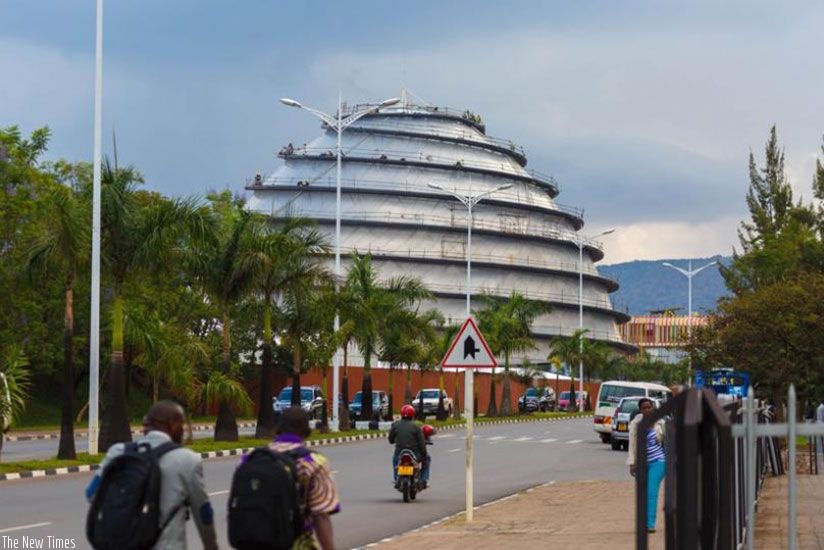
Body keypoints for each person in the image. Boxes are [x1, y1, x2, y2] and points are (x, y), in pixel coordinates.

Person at [85, 401, 218, 550]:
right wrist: (211, 546)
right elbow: (203, 512)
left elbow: (91, 493)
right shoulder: (187, 459)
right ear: (172, 424)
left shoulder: (118, 452)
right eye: (182, 425)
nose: (183, 431)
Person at [246, 406, 339, 550]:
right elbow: (321, 515)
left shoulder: (249, 459)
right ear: (307, 432)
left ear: (277, 429)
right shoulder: (313, 462)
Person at [627, 397, 665, 533]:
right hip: (642, 463)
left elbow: (667, 441)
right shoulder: (635, 424)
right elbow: (631, 445)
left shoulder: (660, 423)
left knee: (651, 492)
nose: (647, 410)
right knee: (643, 493)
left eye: (649, 407)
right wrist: (632, 463)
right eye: (644, 408)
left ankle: (650, 524)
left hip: (659, 461)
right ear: (640, 410)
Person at [388, 404, 427, 486]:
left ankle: (396, 478)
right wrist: (424, 455)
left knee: (395, 459)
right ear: (413, 415)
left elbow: (391, 440)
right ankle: (423, 479)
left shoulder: (396, 425)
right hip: (414, 453)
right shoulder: (416, 426)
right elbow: (421, 443)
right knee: (428, 459)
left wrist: (395, 440)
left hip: (400, 453)